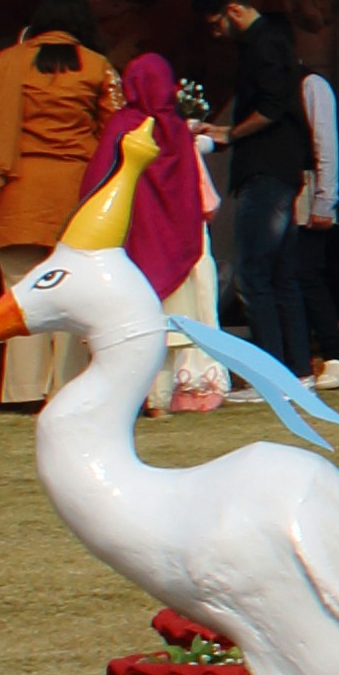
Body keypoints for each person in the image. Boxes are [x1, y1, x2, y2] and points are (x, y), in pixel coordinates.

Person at [0, 0, 121, 407]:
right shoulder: (98, 67)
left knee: (21, 296)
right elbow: (117, 129)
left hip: (17, 193)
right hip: (76, 198)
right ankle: (68, 388)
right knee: (73, 297)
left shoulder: (9, 61)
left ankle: (22, 391)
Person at [190, 0, 318, 375]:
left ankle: (270, 372)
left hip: (266, 170)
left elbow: (272, 107)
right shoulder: (271, 42)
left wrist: (229, 133)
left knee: (255, 276)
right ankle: (295, 369)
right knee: (281, 277)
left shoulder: (263, 45)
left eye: (215, 24)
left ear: (233, 10)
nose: (215, 34)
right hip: (278, 168)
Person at [87, 51, 225, 411]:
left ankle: (144, 398)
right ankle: (168, 396)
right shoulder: (176, 129)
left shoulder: (122, 126)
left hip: (134, 240)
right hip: (177, 243)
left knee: (135, 323)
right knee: (173, 324)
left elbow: (97, 182)